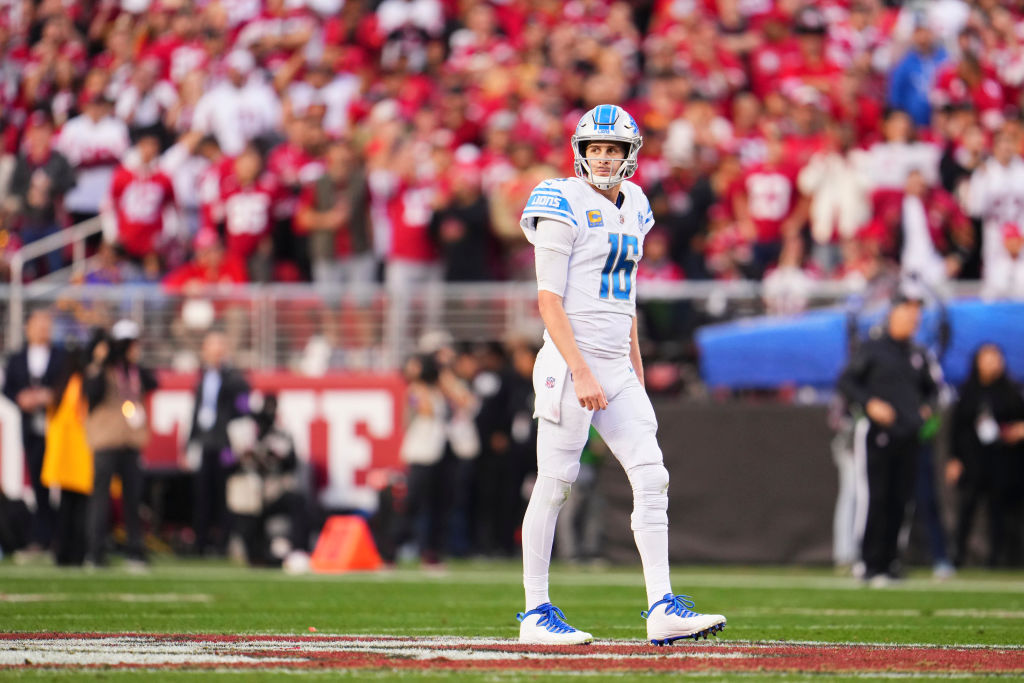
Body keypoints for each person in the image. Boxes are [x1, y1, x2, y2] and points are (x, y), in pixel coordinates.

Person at [516, 104, 726, 645]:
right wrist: (581, 370)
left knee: (652, 476)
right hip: (570, 362)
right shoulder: (560, 199)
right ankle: (535, 614)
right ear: (581, 153)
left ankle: (662, 607)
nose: (604, 158)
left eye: (613, 149)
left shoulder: (635, 204)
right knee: (556, 484)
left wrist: (632, 364)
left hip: (613, 362)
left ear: (630, 155)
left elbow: (625, 293)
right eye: (596, 149)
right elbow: (548, 301)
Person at [837, 294, 938, 585]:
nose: (913, 323)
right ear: (893, 315)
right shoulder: (873, 348)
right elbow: (847, 381)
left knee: (901, 500)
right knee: (875, 498)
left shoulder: (917, 353)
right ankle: (868, 562)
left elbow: (931, 389)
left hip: (909, 435)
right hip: (877, 434)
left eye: (916, 319)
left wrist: (927, 406)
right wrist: (870, 404)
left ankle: (890, 561)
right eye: (908, 316)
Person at [83, 320, 158, 567]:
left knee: (133, 499)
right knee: (101, 497)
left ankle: (135, 550)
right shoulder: (103, 370)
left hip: (130, 441)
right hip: (105, 440)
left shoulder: (135, 371)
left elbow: (154, 382)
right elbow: (90, 391)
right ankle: (95, 551)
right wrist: (98, 360)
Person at [947, 344, 1024, 567]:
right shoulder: (968, 392)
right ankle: (957, 557)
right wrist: (954, 458)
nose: (991, 363)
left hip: (1003, 461)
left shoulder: (1011, 391)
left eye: (995, 358)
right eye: (986, 358)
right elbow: (956, 428)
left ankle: (998, 559)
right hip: (973, 461)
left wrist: (1018, 430)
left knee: (1000, 513)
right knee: (966, 509)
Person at [2, 310, 66, 552]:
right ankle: (42, 536)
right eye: (38, 325)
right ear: (28, 328)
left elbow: (68, 382)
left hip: (57, 426)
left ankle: (62, 535)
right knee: (39, 484)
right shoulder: (17, 358)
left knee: (62, 484)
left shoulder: (62, 356)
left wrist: (50, 396)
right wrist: (22, 398)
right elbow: (9, 387)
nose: (43, 329)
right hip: (31, 427)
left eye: (46, 324)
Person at [187, 330, 251, 556]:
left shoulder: (233, 377)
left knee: (225, 496)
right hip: (205, 442)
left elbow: (242, 406)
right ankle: (200, 542)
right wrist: (189, 444)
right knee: (202, 496)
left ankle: (223, 543)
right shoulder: (203, 377)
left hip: (225, 443)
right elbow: (196, 413)